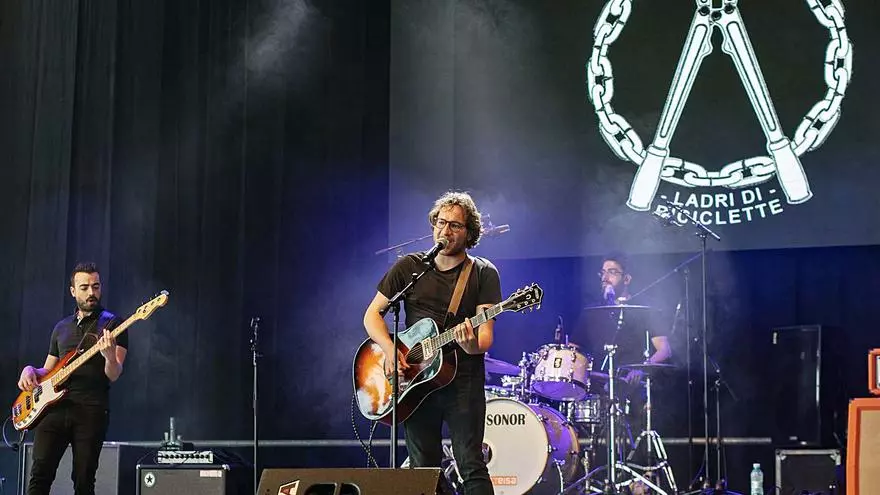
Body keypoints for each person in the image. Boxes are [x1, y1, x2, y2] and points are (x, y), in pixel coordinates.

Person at [363, 191, 502, 495]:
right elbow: (372, 315)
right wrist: (390, 350)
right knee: (423, 470)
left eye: (455, 225)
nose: (445, 230)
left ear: (469, 233)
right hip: (416, 383)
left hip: (463, 381)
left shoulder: (482, 272)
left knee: (470, 464)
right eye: (441, 222)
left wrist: (468, 344)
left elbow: (484, 338)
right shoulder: (409, 267)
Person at [18, 262, 128, 495]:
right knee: (39, 476)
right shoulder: (61, 328)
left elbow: (114, 373)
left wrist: (109, 357)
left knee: (83, 480)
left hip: (90, 409)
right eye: (85, 287)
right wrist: (29, 369)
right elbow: (46, 371)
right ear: (73, 291)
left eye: (96, 286)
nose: (91, 292)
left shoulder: (114, 324)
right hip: (54, 409)